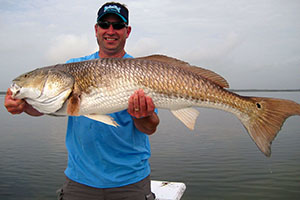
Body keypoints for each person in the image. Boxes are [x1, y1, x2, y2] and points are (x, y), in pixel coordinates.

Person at [4, 2, 159, 200]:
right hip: (80, 182)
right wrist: (24, 106)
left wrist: (143, 114)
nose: (110, 30)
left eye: (117, 25)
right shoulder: (72, 68)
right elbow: (46, 108)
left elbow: (150, 127)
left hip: (130, 183)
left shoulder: (142, 71)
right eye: (104, 24)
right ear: (96, 29)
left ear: (127, 31)